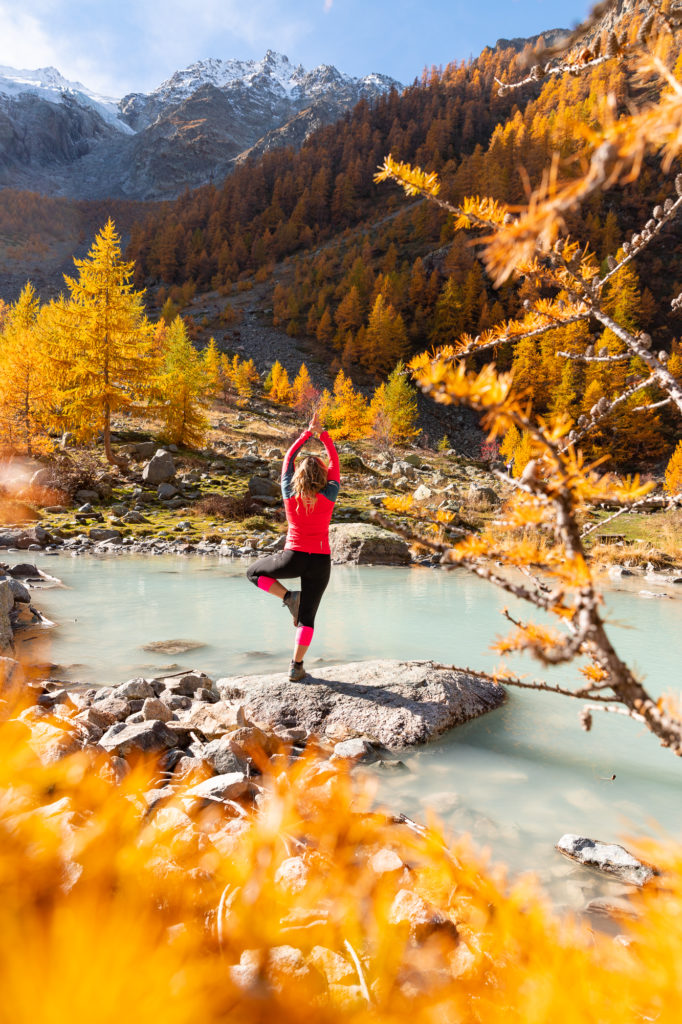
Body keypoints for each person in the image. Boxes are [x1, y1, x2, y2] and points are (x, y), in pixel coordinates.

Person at [246, 410, 340, 681]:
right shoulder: (330, 491)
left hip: (293, 557)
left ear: (298, 473)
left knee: (252, 573)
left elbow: (288, 459)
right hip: (320, 561)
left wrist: (306, 435)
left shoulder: (289, 491)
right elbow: (334, 462)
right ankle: (295, 666)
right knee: (307, 619)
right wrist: (322, 435)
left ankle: (289, 598)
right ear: (323, 476)